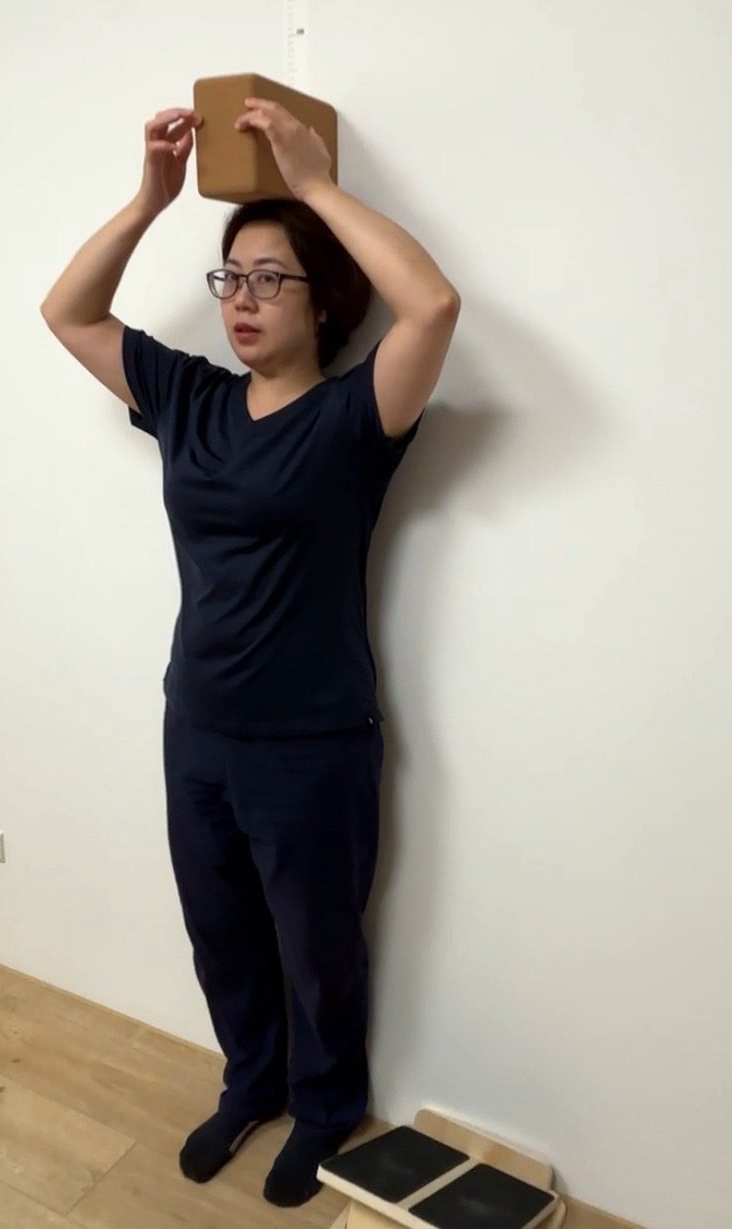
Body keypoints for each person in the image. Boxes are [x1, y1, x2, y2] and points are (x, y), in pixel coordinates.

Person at [40, 100, 460, 1209]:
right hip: (197, 724)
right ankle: (251, 1082)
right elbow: (67, 311)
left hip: (312, 740)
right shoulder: (190, 397)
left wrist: (314, 184)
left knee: (316, 944)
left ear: (323, 302)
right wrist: (149, 200)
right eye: (232, 277)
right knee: (219, 928)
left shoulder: (357, 418)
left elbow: (431, 304)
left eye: (271, 279)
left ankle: (324, 1108)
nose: (242, 299)